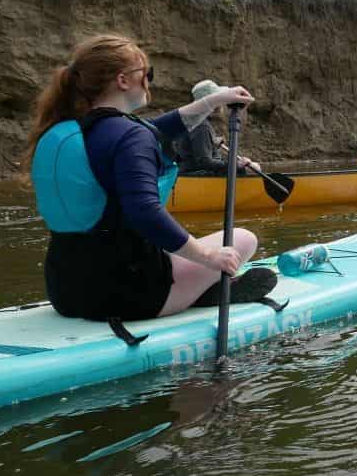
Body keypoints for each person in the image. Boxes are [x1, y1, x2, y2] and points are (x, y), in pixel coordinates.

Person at [27, 34, 277, 322]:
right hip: (131, 295)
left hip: (66, 292)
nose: (149, 81)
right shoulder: (130, 136)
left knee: (159, 247)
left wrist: (214, 100)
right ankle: (196, 292)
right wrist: (208, 258)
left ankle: (194, 288)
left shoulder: (68, 131)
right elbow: (144, 212)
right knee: (244, 240)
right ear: (123, 81)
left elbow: (159, 129)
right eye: (147, 74)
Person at [174, 79, 262, 176]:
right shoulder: (202, 127)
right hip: (199, 177)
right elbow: (204, 162)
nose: (222, 102)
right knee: (254, 169)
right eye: (218, 98)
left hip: (187, 173)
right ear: (211, 101)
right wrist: (236, 165)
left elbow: (190, 151)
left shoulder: (189, 121)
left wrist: (213, 143)